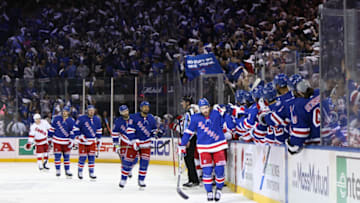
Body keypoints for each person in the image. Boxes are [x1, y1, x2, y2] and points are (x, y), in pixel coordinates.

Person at [178, 98, 230, 202]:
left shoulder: (216, 113)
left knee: (220, 170)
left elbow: (226, 123)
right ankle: (209, 192)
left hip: (218, 145)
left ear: (209, 106)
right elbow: (188, 132)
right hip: (204, 147)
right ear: (199, 109)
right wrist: (182, 144)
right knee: (207, 171)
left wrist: (227, 112)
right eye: (202, 108)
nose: (205, 110)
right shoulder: (195, 118)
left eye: (206, 107)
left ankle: (219, 189)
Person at [126, 101, 160, 188]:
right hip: (135, 143)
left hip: (146, 144)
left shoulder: (151, 118)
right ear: (141, 108)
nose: (146, 108)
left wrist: (157, 134)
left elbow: (153, 130)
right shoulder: (134, 117)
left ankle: (141, 180)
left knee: (144, 162)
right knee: (133, 160)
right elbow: (130, 130)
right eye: (144, 107)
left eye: (147, 107)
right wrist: (134, 141)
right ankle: (128, 170)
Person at [286, 78, 321, 154]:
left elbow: (302, 131)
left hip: (315, 145)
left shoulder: (299, 104)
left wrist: (292, 144)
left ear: (296, 91)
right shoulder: (319, 93)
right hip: (330, 138)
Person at [73, 105, 102, 180]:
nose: (91, 111)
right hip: (83, 142)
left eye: (92, 110)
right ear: (87, 111)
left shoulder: (97, 119)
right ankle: (80, 171)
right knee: (82, 157)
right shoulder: (81, 118)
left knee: (91, 158)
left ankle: (91, 172)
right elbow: (75, 128)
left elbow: (99, 130)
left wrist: (99, 139)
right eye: (90, 110)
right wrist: (80, 136)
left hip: (92, 141)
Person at [112, 105, 138, 188]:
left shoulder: (134, 119)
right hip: (124, 142)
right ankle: (123, 179)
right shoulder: (118, 121)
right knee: (125, 161)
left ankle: (129, 169)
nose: (125, 112)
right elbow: (115, 133)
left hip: (133, 141)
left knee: (135, 159)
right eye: (123, 112)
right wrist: (116, 144)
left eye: (126, 110)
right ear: (121, 113)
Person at [48, 106, 75, 177]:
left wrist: (72, 140)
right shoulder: (56, 119)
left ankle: (67, 170)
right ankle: (58, 170)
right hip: (57, 141)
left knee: (66, 157)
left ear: (68, 112)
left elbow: (72, 131)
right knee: (57, 157)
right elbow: (52, 129)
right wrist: (49, 138)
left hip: (66, 142)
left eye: (66, 111)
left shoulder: (71, 120)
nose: (64, 112)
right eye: (63, 111)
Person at [180, 96, 200, 187]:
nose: (181, 103)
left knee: (189, 158)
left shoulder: (191, 112)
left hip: (191, 138)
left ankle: (194, 179)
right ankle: (192, 179)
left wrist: (188, 139)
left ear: (188, 102)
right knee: (187, 158)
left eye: (183, 101)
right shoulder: (188, 112)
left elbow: (192, 126)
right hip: (188, 137)